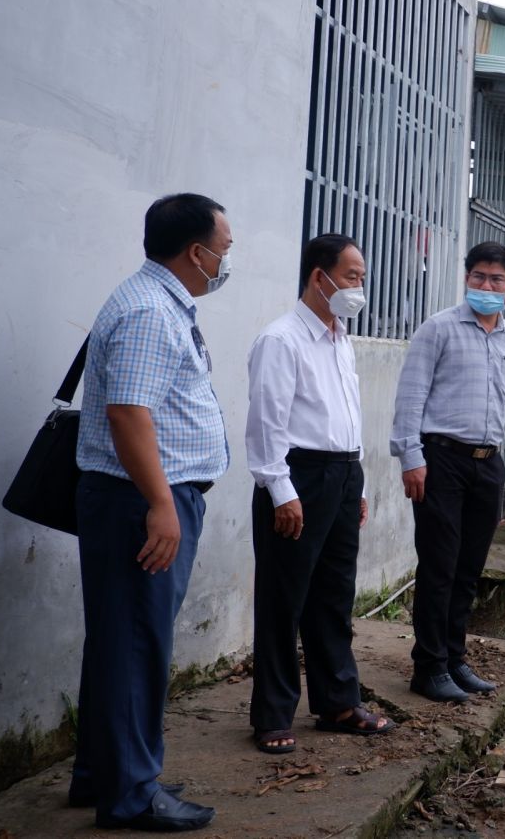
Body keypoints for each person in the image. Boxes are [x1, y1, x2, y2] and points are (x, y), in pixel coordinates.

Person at [70, 193, 231, 831]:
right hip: (141, 501)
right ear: (196, 252)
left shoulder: (155, 301)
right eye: (224, 249)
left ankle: (101, 775)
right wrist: (162, 504)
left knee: (119, 644)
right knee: (138, 645)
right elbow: (129, 413)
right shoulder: (147, 312)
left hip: (142, 496)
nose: (226, 260)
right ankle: (132, 794)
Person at [246, 234, 394, 753]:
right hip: (297, 477)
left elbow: (346, 417)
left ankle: (337, 701)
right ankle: (272, 716)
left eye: (361, 278)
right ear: (319, 276)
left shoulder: (340, 337)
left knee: (334, 595)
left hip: (340, 473)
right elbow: (267, 422)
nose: (359, 287)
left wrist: (357, 482)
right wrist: (281, 491)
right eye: (352, 276)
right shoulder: (282, 340)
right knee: (283, 599)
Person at [390, 242, 505, 702]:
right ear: (466, 278)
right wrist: (412, 458)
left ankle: (454, 659)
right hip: (440, 459)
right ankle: (428, 668)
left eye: (496, 280)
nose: (486, 286)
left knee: (468, 569)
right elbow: (411, 396)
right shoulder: (439, 329)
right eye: (478, 277)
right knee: (439, 566)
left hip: (488, 464)